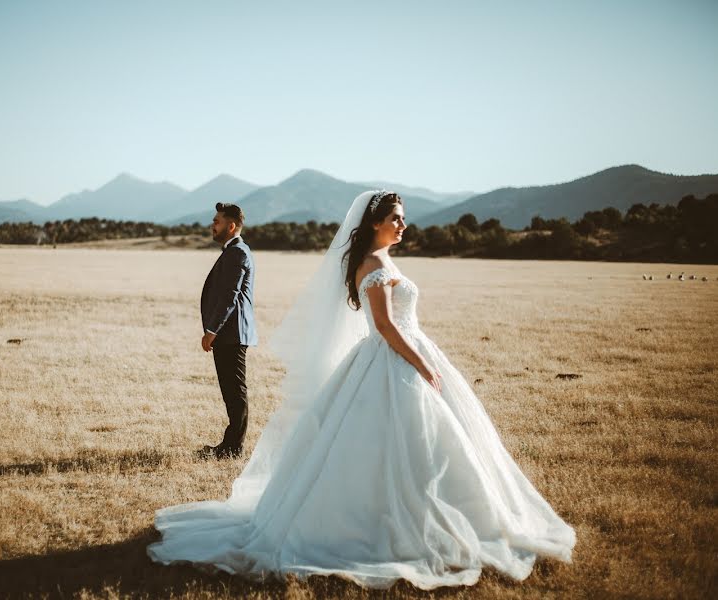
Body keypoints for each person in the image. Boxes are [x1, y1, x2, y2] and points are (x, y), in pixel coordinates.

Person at [149, 191, 575, 590]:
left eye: (404, 219)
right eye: (396, 219)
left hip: (402, 351)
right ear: (374, 223)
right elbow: (386, 326)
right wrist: (423, 363)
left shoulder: (382, 259)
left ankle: (460, 515)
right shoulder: (371, 264)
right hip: (392, 358)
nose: (403, 225)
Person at [197, 202, 258, 460]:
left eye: (217, 221)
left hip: (231, 335)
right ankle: (230, 445)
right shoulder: (234, 251)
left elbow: (229, 297)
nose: (213, 225)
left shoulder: (237, 253)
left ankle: (232, 448)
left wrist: (212, 330)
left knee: (235, 392)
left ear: (231, 226)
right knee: (231, 392)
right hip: (229, 334)